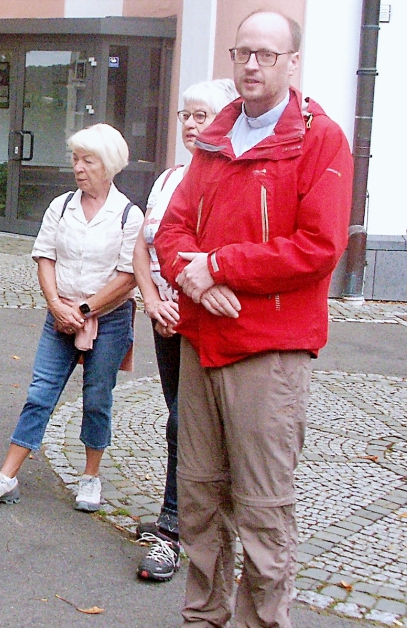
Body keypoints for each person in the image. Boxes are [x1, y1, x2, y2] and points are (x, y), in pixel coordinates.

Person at [154, 11, 352, 627]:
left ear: (293, 63)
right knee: (200, 497)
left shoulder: (321, 140)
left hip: (268, 350)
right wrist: (192, 273)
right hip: (203, 340)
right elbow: (171, 229)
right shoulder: (217, 136)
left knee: (263, 507)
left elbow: (319, 248)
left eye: (267, 55)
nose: (252, 66)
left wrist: (219, 266)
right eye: (243, 54)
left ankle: (262, 622)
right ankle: (204, 614)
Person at [0, 123, 140, 514]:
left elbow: (128, 277)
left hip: (108, 321)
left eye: (88, 160)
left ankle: (90, 477)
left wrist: (83, 310)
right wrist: (57, 305)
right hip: (59, 315)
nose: (78, 167)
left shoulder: (128, 215)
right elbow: (45, 257)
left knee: (97, 397)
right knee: (40, 393)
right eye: (75, 159)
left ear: (108, 165)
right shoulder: (61, 206)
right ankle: (6, 476)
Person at [132, 78, 237, 584]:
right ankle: (179, 517)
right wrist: (152, 301)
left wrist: (182, 303)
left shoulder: (229, 177)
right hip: (165, 320)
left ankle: (177, 529)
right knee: (179, 418)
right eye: (186, 116)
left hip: (204, 323)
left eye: (203, 116)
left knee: (193, 425)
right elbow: (144, 244)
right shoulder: (170, 177)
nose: (192, 125)